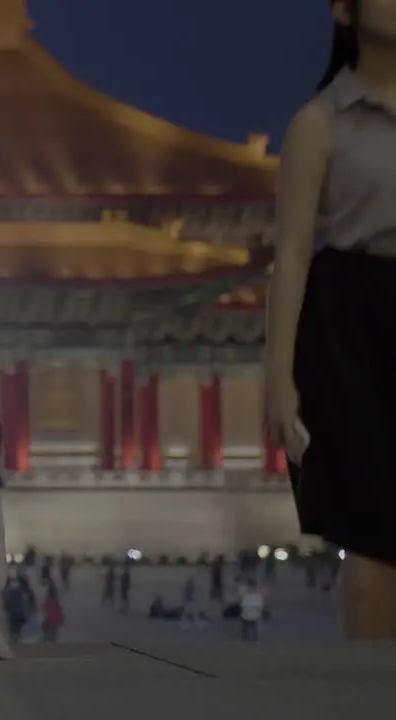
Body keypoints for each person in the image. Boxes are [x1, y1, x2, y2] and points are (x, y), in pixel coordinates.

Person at [265, 0, 396, 639]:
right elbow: (290, 256)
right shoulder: (319, 122)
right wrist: (279, 379)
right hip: (351, 324)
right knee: (372, 533)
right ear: (344, 11)